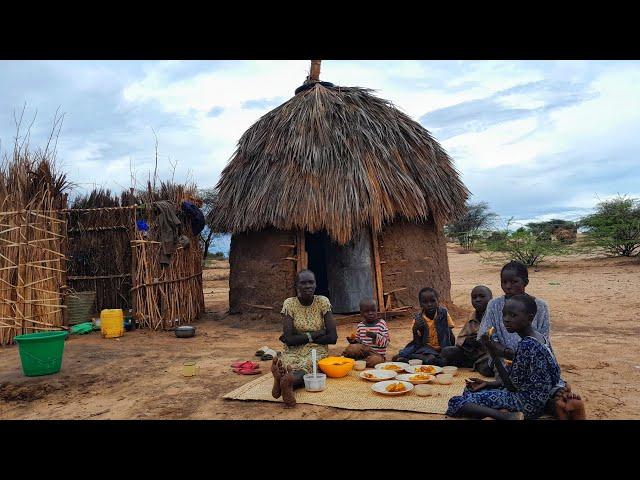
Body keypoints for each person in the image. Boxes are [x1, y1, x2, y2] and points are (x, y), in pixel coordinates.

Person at [446, 294, 561, 420]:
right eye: (504, 314)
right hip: (538, 400)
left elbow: (511, 386)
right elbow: (552, 374)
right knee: (470, 391)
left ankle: (504, 416)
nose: (506, 319)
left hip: (526, 404)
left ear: (530, 318)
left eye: (513, 315)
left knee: (456, 402)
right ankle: (501, 411)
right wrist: (488, 384)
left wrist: (493, 352)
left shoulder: (526, 345)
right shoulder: (540, 338)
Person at [271, 269, 337, 408]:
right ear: (297, 286)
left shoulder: (322, 302)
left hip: (316, 350)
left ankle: (285, 381)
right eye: (303, 283)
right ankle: (286, 381)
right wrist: (315, 334)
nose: (308, 286)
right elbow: (288, 339)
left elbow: (332, 337)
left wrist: (300, 338)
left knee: (309, 364)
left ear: (315, 284)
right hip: (293, 349)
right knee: (289, 362)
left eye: (311, 282)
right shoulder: (289, 304)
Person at [476, 261, 551, 375]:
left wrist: (523, 355)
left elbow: (543, 339)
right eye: (504, 282)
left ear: (525, 282)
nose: (508, 287)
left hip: (532, 357)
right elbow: (488, 337)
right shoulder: (494, 305)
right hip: (503, 358)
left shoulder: (540, 306)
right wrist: (506, 352)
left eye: (514, 282)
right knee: (509, 376)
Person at [392, 287, 455, 366]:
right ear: (420, 304)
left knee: (448, 357)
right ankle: (413, 357)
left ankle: (411, 359)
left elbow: (450, 334)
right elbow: (417, 342)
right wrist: (416, 328)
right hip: (426, 348)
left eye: (432, 301)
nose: (429, 305)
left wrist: (450, 348)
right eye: (425, 302)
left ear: (438, 301)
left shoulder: (444, 314)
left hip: (443, 347)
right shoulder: (418, 319)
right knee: (431, 359)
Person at [441, 286, 493, 375]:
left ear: (491, 299)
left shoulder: (496, 316)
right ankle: (475, 364)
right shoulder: (472, 316)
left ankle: (479, 365)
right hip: (472, 353)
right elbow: (460, 340)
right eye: (474, 297)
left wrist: (483, 341)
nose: (477, 300)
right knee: (447, 352)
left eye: (482, 296)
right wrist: (467, 341)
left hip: (488, 354)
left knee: (487, 368)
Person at [342, 299, 389, 367]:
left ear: (377, 310)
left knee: (375, 360)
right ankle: (343, 358)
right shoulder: (360, 325)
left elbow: (386, 342)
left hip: (377, 353)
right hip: (363, 351)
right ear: (361, 313)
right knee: (352, 348)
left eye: (373, 310)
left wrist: (375, 336)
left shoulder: (381, 324)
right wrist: (354, 341)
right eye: (367, 311)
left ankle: (359, 362)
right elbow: (359, 343)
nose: (370, 313)